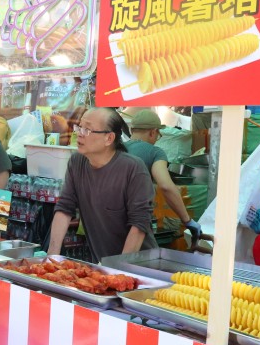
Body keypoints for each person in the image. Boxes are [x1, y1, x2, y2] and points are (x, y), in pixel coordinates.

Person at [47, 108, 157, 263]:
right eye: (79, 127)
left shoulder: (133, 168)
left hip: (140, 266)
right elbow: (64, 208)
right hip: (102, 264)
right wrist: (51, 256)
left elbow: (139, 224)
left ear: (109, 138)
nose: (79, 134)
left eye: (87, 129)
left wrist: (118, 269)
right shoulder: (76, 162)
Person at [124, 109, 202, 242]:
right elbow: (166, 186)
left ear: (132, 130)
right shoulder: (155, 152)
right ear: (153, 132)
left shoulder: (116, 149)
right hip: (135, 222)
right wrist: (188, 220)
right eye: (158, 135)